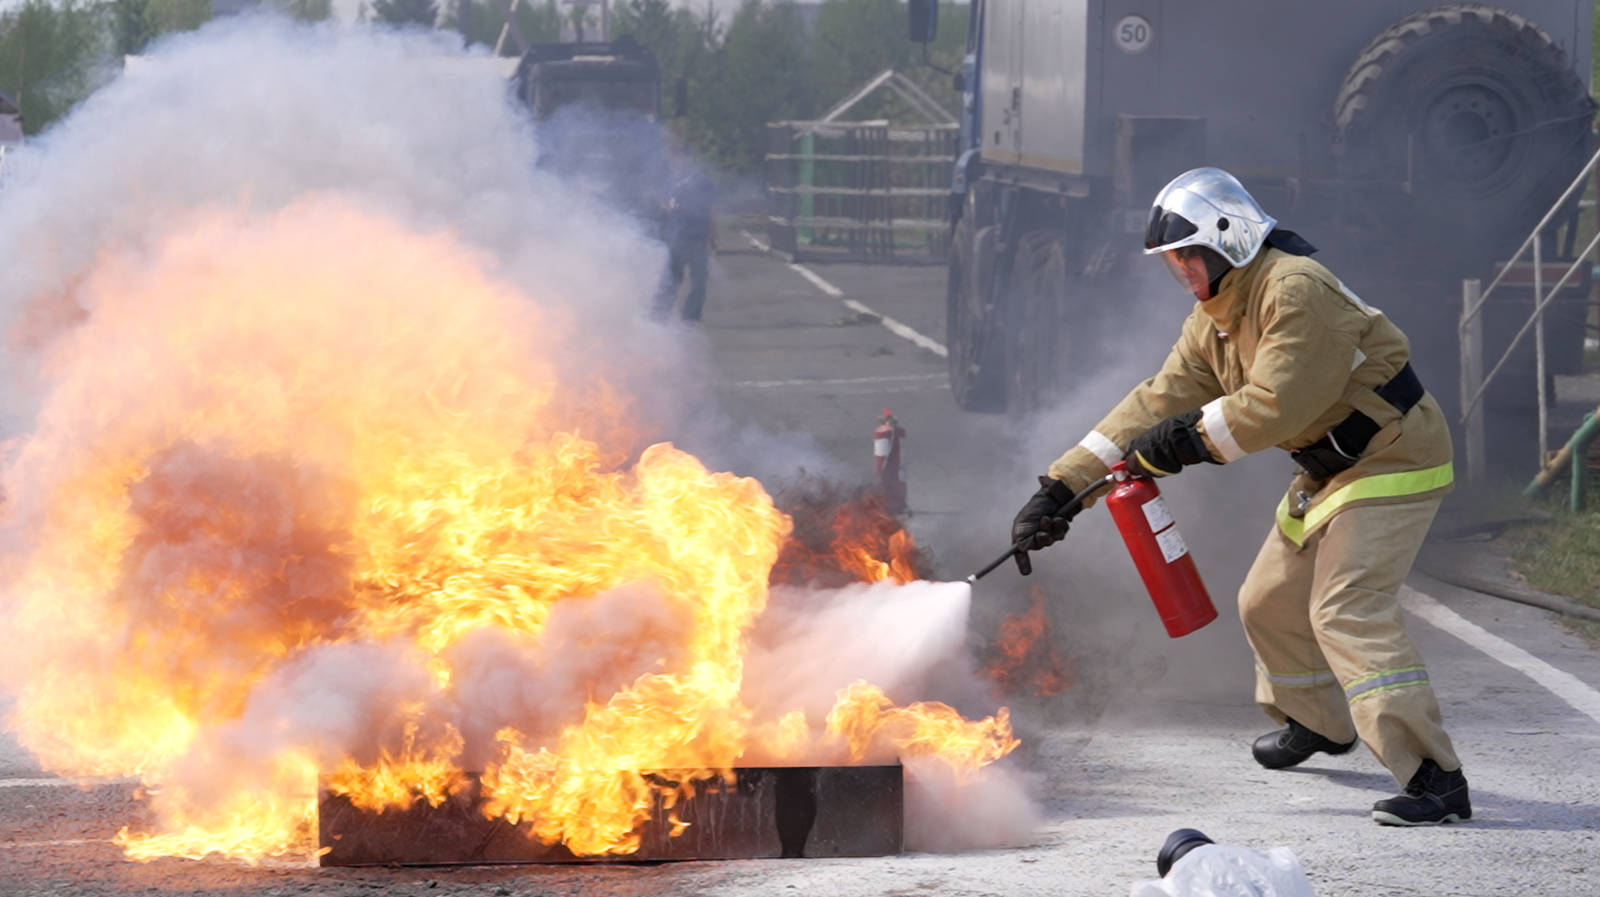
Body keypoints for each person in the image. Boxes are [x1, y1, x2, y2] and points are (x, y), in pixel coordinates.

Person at [1012, 167, 1469, 826]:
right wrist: (1063, 487)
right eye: (1174, 264)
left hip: (1392, 457)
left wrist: (1183, 443)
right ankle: (1318, 723)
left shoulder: (1295, 288)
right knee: (1266, 602)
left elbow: (1278, 405)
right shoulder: (1215, 319)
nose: (1183, 274)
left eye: (1188, 257)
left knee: (1345, 609)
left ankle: (1434, 776)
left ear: (1230, 238)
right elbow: (1152, 403)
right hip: (1327, 470)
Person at [653, 151, 717, 323]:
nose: (679, 163)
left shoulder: (703, 182)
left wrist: (711, 236)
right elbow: (663, 201)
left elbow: (711, 210)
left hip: (697, 236)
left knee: (699, 280)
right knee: (671, 277)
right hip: (677, 235)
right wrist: (668, 205)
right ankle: (660, 314)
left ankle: (690, 316)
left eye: (683, 158)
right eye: (677, 159)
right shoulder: (671, 180)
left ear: (690, 160)